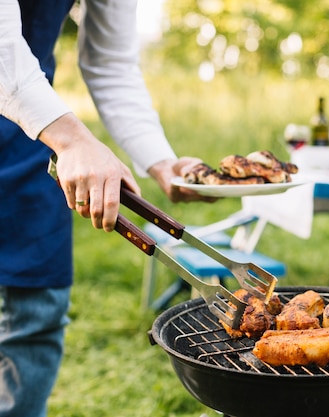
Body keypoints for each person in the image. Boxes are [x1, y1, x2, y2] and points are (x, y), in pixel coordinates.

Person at [0, 1, 215, 416]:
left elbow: (109, 60)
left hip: (32, 128)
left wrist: (160, 160)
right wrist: (74, 139)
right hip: (50, 124)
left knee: (36, 310)